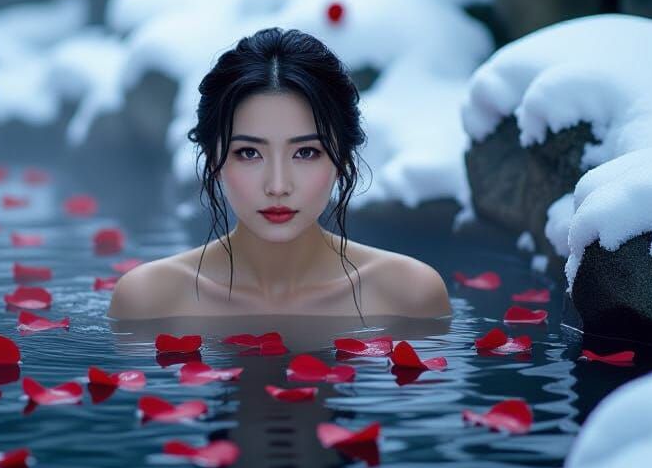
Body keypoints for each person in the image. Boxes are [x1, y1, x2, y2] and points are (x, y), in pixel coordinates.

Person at [109, 27, 452, 322]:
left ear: (343, 159)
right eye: (249, 153)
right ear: (214, 159)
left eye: (306, 153)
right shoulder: (149, 300)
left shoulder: (409, 295)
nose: (277, 186)